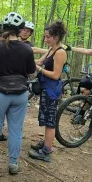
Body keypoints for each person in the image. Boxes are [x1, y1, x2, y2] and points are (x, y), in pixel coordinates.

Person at [0, 12, 36, 175]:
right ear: (20, 30)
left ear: (4, 28)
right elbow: (32, 73)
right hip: (20, 94)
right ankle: (13, 163)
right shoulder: (27, 49)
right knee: (15, 130)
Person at [28, 21, 68, 162]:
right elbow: (39, 62)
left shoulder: (60, 52)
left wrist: (39, 69)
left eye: (48, 37)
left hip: (52, 90)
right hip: (46, 88)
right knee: (45, 118)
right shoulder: (51, 49)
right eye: (45, 37)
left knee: (50, 121)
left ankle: (46, 151)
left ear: (56, 36)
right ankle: (45, 143)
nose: (45, 40)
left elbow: (56, 75)